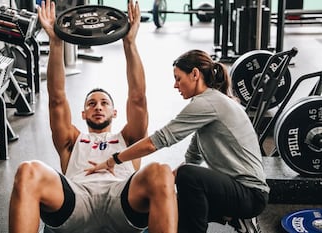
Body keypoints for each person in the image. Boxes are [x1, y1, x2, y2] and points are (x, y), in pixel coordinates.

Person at [8, 1, 177, 233]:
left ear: (114, 112)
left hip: (121, 199)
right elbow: (56, 98)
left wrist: (129, 43)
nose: (98, 107)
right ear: (83, 113)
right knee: (28, 171)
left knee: (161, 170)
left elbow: (138, 98)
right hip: (77, 200)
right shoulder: (71, 139)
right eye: (92, 103)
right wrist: (56, 42)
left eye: (104, 103)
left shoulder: (129, 138)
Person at [86, 49, 270, 233]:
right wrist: (161, 186)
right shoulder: (207, 104)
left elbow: (157, 141)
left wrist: (114, 160)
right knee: (174, 206)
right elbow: (192, 158)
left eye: (178, 78)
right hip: (236, 191)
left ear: (195, 74)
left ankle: (232, 216)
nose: (175, 85)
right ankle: (233, 218)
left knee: (187, 176)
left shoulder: (207, 103)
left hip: (250, 195)